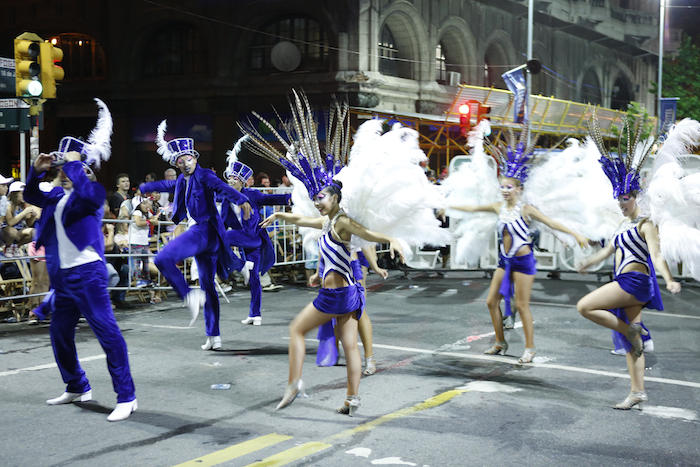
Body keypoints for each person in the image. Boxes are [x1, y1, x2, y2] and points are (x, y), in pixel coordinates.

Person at [23, 98, 137, 422]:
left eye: (73, 170)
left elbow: (85, 190)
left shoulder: (92, 195)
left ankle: (127, 396)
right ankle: (77, 384)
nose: (67, 175)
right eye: (63, 171)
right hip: (64, 280)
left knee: (107, 332)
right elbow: (32, 195)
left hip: (88, 275)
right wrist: (37, 171)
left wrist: (74, 161)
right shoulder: (57, 195)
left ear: (85, 170)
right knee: (59, 333)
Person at [261, 181, 404, 415]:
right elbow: (300, 220)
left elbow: (366, 233)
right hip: (345, 293)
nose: (317, 203)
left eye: (321, 197)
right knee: (350, 347)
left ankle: (294, 384)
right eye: (315, 199)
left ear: (335, 198)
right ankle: (352, 398)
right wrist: (278, 214)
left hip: (334, 296)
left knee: (297, 330)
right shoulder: (327, 222)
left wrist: (391, 240)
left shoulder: (343, 222)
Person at [450, 128, 587, 364]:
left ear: (519, 189)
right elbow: (473, 208)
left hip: (523, 261)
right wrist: (448, 207)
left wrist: (575, 233)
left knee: (522, 306)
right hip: (505, 261)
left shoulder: (526, 209)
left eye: (509, 187)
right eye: (502, 186)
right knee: (491, 302)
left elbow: (551, 222)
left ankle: (530, 348)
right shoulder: (498, 207)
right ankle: (500, 342)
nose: (504, 190)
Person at [577, 116, 681, 410]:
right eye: (619, 197)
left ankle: (628, 330)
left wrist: (669, 279)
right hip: (628, 283)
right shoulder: (621, 226)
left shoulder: (646, 224)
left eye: (627, 197)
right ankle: (637, 391)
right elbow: (608, 252)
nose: (622, 202)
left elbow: (657, 255)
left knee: (585, 306)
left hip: (634, 283)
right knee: (632, 345)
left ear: (636, 196)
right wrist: (588, 263)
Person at [139, 120, 252, 350]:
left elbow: (224, 188)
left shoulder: (204, 176)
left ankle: (189, 295)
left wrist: (242, 200)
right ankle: (214, 336)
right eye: (180, 162)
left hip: (204, 232)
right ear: (178, 164)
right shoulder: (182, 178)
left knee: (162, 259)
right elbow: (167, 185)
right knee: (208, 286)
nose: (185, 164)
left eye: (188, 159)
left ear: (195, 158)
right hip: (203, 239)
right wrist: (145, 187)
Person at [221, 137, 291, 328]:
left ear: (242, 182)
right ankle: (240, 269)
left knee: (254, 280)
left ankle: (255, 314)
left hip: (253, 240)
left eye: (234, 179)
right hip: (239, 240)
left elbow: (273, 198)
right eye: (229, 178)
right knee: (220, 237)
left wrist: (294, 197)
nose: (231, 181)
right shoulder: (227, 198)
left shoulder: (252, 195)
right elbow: (222, 220)